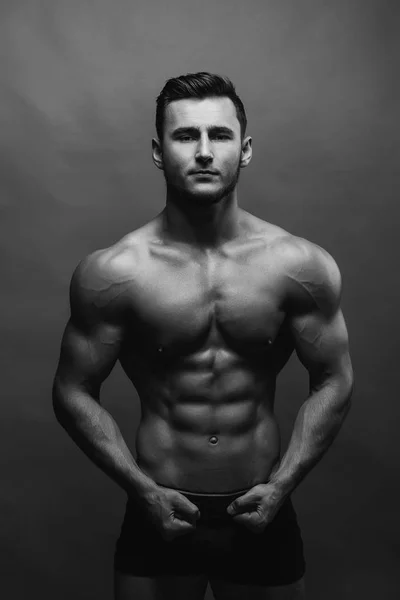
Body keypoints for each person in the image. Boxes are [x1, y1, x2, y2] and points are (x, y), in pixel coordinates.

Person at [52, 72, 354, 600]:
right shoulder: (115, 272)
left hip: (263, 505)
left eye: (220, 135)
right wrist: (140, 488)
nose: (205, 152)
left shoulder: (298, 265)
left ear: (246, 148)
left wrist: (283, 484)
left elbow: (334, 378)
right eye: (186, 136)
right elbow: (72, 391)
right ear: (157, 151)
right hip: (158, 505)